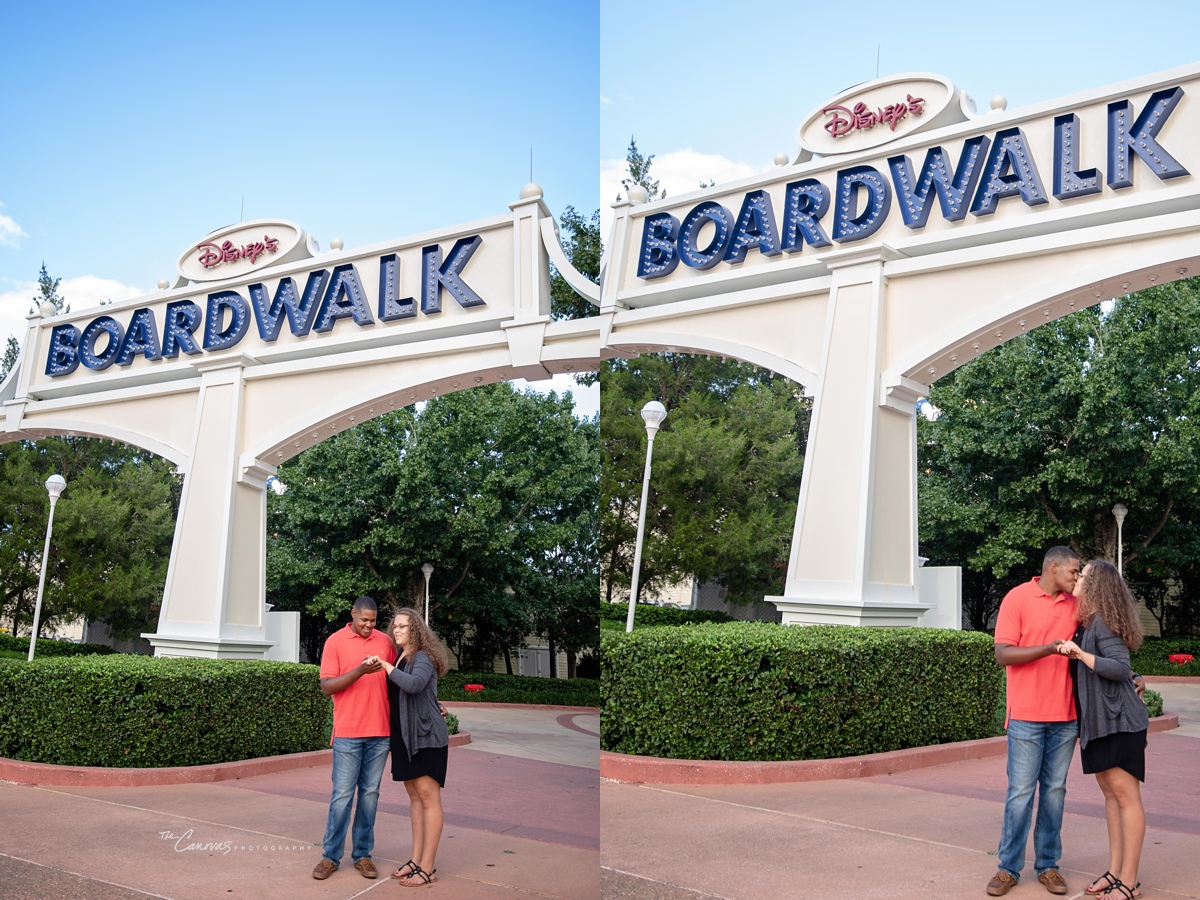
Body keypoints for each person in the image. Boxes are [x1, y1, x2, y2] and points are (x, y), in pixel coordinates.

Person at [987, 546, 1081, 897]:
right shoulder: (1017, 598)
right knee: (1021, 793)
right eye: (1072, 570)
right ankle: (1008, 868)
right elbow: (1003, 654)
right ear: (1052, 567)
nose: (1076, 576)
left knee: (1054, 793)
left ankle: (1048, 866)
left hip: (1066, 716)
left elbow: (1100, 644)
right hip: (1026, 715)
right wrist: (1048, 648)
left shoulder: (1077, 605)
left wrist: (1130, 672)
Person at [1058, 561, 1149, 900]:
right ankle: (1114, 871)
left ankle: (1130, 881)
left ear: (1096, 585)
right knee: (1112, 798)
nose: (1077, 577)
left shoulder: (1104, 623)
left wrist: (1080, 654)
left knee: (1127, 799)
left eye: (1083, 575)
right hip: (1101, 723)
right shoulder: (1090, 621)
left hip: (1120, 723)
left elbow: (1119, 667)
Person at [311, 596, 396, 881]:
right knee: (342, 796)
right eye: (364, 620)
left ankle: (362, 855)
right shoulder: (335, 641)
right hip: (348, 732)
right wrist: (360, 670)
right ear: (353, 615)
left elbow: (398, 681)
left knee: (370, 796)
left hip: (380, 733)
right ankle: (330, 856)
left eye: (373, 621)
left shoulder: (385, 641)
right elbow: (326, 686)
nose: (369, 626)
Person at [372, 607, 451, 888]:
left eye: (403, 626)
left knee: (429, 799)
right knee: (415, 799)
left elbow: (416, 685)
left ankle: (428, 867)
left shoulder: (423, 657)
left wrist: (385, 666)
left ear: (415, 629)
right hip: (406, 739)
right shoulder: (401, 655)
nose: (397, 630)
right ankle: (416, 860)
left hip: (427, 738)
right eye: (395, 626)